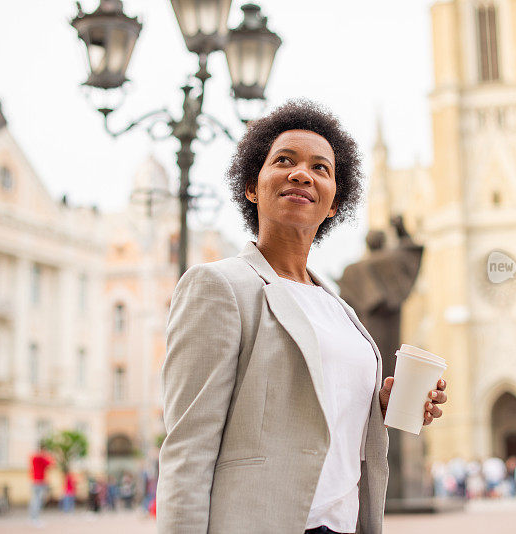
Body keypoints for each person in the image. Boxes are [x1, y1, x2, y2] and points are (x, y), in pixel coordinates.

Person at [156, 100, 448, 534]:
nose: (301, 173)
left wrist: (380, 406)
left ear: (333, 203)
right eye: (284, 161)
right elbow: (188, 448)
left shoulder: (340, 308)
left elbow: (316, 410)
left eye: (321, 168)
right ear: (252, 187)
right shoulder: (219, 286)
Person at [28, 440, 54, 527]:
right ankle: (35, 519)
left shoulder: (34, 457)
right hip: (40, 481)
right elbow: (52, 463)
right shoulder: (42, 457)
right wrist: (47, 455)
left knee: (34, 500)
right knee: (38, 500)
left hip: (34, 481)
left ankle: (32, 518)